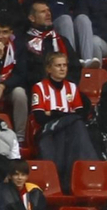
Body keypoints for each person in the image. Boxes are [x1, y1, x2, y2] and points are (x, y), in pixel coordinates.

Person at [28, 51, 99, 181]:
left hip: (70, 129)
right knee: (76, 124)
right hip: (48, 131)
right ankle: (87, 171)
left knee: (77, 124)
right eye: (58, 65)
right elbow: (40, 118)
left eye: (64, 65)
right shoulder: (39, 87)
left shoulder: (72, 87)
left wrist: (55, 113)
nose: (62, 68)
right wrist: (65, 115)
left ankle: (78, 175)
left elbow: (80, 114)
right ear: (49, 68)